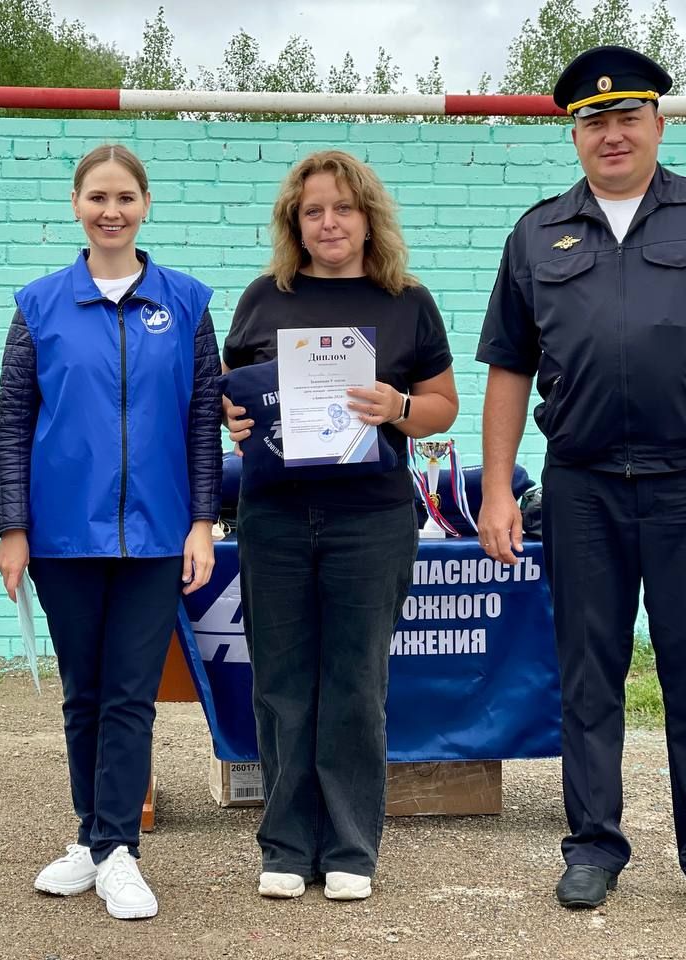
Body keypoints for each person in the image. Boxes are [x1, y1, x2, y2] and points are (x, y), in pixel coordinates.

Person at [476, 46, 686, 918]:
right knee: (587, 674)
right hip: (579, 485)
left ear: (659, 122)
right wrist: (499, 487)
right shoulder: (538, 231)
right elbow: (508, 367)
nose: (611, 133)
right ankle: (593, 845)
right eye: (593, 121)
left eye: (627, 116)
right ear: (574, 136)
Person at [0, 144, 222, 921]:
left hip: (158, 538)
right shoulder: (39, 304)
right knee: (81, 694)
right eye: (97, 197)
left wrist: (202, 520)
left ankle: (120, 848)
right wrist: (13, 529)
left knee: (131, 695)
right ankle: (91, 840)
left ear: (146, 205)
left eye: (125, 197)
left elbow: (201, 421)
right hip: (62, 539)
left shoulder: (186, 303)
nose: (111, 210)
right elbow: (15, 423)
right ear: (76, 204)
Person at [222, 150, 459, 902]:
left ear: (368, 218)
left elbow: (444, 406)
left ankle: (353, 847)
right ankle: (287, 846)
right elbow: (233, 400)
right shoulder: (264, 298)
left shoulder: (407, 302)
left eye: (344, 208)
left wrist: (399, 409)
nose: (330, 222)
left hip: (372, 520)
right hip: (276, 517)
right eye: (314, 210)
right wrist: (233, 417)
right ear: (296, 222)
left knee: (356, 683)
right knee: (282, 684)